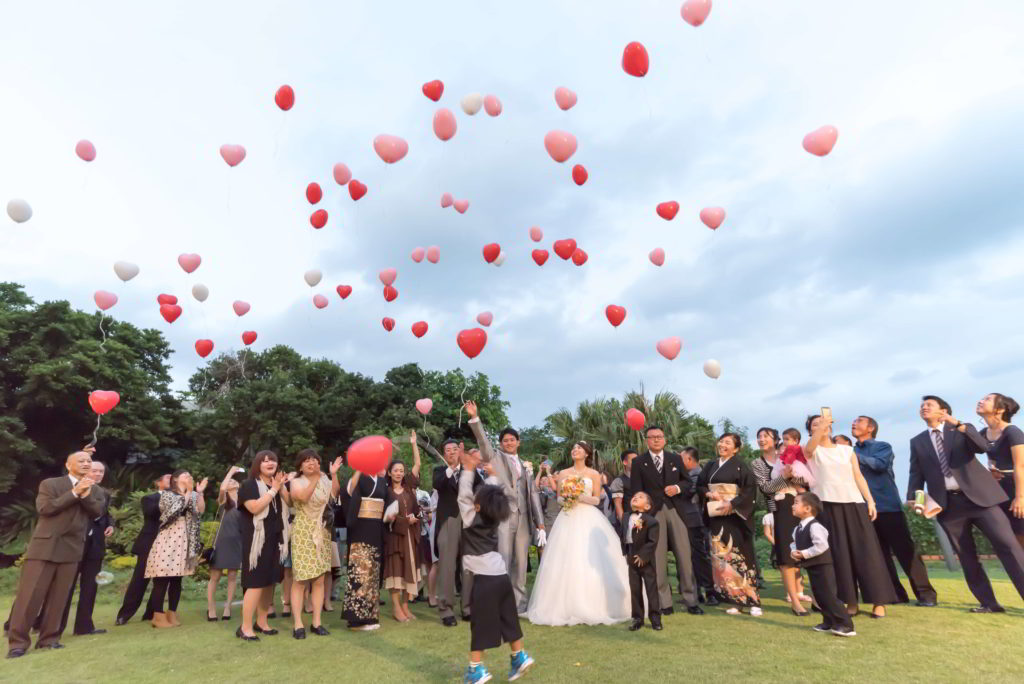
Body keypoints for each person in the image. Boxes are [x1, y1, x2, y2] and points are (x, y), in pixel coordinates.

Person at [908, 395, 1024, 612]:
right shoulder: (917, 441)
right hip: (948, 506)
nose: (924, 407)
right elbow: (916, 473)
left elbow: (982, 447)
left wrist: (958, 424)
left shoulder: (962, 430)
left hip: (982, 500)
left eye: (929, 405)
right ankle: (989, 604)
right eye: (922, 405)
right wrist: (913, 497)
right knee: (967, 557)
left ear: (943, 411)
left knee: (1009, 547)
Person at [7, 448, 106, 659]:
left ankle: (49, 639)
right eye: (81, 460)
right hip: (45, 547)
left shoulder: (97, 491)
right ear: (69, 465)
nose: (87, 463)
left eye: (89, 461)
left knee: (59, 598)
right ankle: (18, 643)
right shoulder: (50, 484)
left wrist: (86, 493)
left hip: (73, 548)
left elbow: (97, 513)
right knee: (30, 596)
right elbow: (46, 509)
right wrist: (74, 493)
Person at [526, 441, 630, 626]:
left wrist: (581, 497)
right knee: (566, 557)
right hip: (567, 516)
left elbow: (597, 498)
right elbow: (557, 497)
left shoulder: (594, 474)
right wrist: (565, 498)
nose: (575, 450)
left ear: (587, 454)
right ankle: (562, 605)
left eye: (579, 448)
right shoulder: (564, 473)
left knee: (590, 557)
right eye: (574, 448)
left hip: (588, 516)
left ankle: (597, 602)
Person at [805, 413, 897, 618]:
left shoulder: (847, 450)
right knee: (840, 556)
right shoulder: (812, 451)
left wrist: (870, 501)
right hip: (827, 506)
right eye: (815, 425)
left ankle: (879, 601)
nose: (821, 426)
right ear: (811, 430)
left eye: (824, 423)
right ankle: (850, 601)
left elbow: (858, 476)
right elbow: (809, 449)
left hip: (854, 504)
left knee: (867, 552)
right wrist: (821, 426)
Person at [456, 449, 535, 684]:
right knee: (508, 618)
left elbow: (463, 496)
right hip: (500, 576)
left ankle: (476, 668)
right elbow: (494, 495)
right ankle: (519, 656)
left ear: (478, 506)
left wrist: (469, 471)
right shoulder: (496, 515)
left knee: (481, 623)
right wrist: (492, 476)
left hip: (484, 579)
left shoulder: (471, 518)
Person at [466, 401, 546, 616]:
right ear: (501, 444)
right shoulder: (495, 457)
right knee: (502, 559)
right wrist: (475, 419)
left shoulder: (526, 465)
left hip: (523, 520)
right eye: (505, 440)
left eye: (512, 440)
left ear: (518, 442)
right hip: (502, 516)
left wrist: (539, 523)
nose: (508, 443)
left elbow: (533, 495)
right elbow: (483, 442)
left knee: (521, 563)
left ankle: (519, 604)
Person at [851, 415, 937, 606]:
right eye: (853, 422)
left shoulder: (882, 447)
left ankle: (926, 595)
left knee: (905, 551)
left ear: (871, 428)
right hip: (864, 510)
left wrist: (853, 456)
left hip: (888, 507)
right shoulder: (850, 451)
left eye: (859, 421)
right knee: (879, 555)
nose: (854, 424)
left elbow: (879, 465)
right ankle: (896, 594)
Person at [630, 425, 702, 615]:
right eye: (652, 437)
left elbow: (687, 483)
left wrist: (677, 488)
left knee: (684, 556)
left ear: (665, 440)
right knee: (657, 558)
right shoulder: (639, 462)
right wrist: (640, 515)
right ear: (646, 440)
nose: (656, 439)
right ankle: (664, 602)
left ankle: (691, 600)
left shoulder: (675, 458)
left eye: (659, 436)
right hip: (652, 513)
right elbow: (636, 490)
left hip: (676, 510)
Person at [697, 433, 761, 616]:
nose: (722, 444)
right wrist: (709, 494)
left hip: (736, 516)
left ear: (736, 448)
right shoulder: (710, 465)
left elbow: (749, 490)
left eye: (728, 442)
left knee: (743, 557)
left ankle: (753, 600)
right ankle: (735, 600)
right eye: (721, 441)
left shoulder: (741, 466)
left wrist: (732, 503)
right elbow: (700, 485)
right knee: (723, 559)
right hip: (717, 515)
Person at [751, 427, 810, 615]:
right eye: (758, 436)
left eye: (765, 436)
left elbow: (806, 479)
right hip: (779, 510)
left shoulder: (790, 452)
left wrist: (795, 478)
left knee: (810, 551)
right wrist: (785, 478)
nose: (761, 439)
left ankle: (816, 597)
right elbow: (766, 489)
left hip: (802, 505)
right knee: (786, 556)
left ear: (776, 439)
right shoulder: (757, 464)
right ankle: (794, 602)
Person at [288, 448, 342, 639]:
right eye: (307, 461)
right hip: (303, 530)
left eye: (315, 460)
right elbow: (302, 497)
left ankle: (316, 622)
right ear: (300, 466)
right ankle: (298, 624)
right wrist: (315, 480)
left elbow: (334, 494)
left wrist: (333, 475)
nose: (312, 463)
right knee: (301, 579)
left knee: (319, 578)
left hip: (322, 530)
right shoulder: (295, 481)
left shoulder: (325, 479)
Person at [237, 451, 291, 641]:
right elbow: (254, 508)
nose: (270, 463)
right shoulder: (249, 485)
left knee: (270, 582)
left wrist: (281, 487)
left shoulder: (278, 484)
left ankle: (262, 622)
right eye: (265, 460)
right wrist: (274, 489)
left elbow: (291, 503)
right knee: (255, 583)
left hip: (277, 539)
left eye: (273, 460)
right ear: (257, 464)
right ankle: (245, 627)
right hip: (256, 542)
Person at [145, 470, 207, 628]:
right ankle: (157, 616)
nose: (189, 478)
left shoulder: (192, 494)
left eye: (190, 476)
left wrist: (199, 493)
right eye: (185, 476)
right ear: (176, 479)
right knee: (162, 578)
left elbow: (200, 510)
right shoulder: (166, 494)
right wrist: (188, 493)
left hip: (186, 539)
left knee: (177, 579)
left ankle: (172, 613)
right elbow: (173, 512)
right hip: (169, 538)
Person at [58, 459, 113, 637]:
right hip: (74, 545)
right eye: (94, 471)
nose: (98, 474)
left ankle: (84, 627)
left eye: (101, 472)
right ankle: (54, 627)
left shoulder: (104, 493)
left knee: (90, 587)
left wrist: (110, 523)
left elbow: (105, 513)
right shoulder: (72, 489)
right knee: (65, 587)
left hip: (95, 546)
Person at [790, 493, 856, 637]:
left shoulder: (815, 527)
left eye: (795, 502)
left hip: (823, 565)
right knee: (820, 596)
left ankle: (846, 625)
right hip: (812, 566)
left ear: (807, 508)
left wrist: (804, 553)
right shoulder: (798, 529)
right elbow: (794, 543)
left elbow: (821, 546)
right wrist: (794, 551)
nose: (792, 505)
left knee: (829, 596)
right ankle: (829, 622)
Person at [115, 473, 170, 625]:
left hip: (168, 543)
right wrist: (167, 498)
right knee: (140, 579)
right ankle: (124, 614)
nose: (172, 480)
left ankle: (151, 613)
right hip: (149, 542)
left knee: (161, 580)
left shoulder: (178, 498)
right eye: (168, 478)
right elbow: (151, 514)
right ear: (159, 483)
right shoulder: (149, 498)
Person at [344, 451, 389, 631]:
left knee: (372, 571)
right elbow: (349, 491)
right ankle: (355, 619)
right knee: (360, 569)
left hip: (376, 527)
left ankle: (369, 615)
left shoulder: (381, 480)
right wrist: (358, 469)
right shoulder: (361, 477)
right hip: (361, 527)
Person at [382, 432, 423, 623]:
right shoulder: (386, 491)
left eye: (401, 470)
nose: (398, 473)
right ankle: (396, 608)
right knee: (395, 570)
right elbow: (384, 515)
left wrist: (414, 444)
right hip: (394, 536)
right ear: (389, 473)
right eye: (395, 470)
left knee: (410, 571)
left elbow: (417, 466)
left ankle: (406, 606)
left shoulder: (408, 488)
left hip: (410, 535)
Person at [977, 393, 1024, 547]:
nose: (981, 401)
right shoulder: (983, 433)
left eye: (987, 399)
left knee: (1021, 534)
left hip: (1017, 488)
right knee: (1010, 539)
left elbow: (1020, 465)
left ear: (1000, 410)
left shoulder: (1012, 432)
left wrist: (1020, 498)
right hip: (999, 490)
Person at [432, 439, 465, 627]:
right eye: (448, 450)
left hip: (469, 522)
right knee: (447, 566)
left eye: (455, 449)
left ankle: (468, 608)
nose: (452, 452)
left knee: (468, 566)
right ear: (444, 454)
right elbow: (438, 484)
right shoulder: (439, 471)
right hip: (448, 521)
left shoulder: (470, 471)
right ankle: (446, 609)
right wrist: (451, 468)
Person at [206, 466, 245, 621]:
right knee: (215, 575)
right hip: (222, 541)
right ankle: (211, 608)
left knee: (233, 575)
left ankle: (228, 607)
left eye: (235, 480)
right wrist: (231, 471)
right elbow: (223, 487)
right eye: (230, 481)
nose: (232, 482)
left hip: (238, 541)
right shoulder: (223, 499)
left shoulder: (244, 500)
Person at [680, 447, 716, 605]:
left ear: (689, 459)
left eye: (681, 459)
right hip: (686, 521)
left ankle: (709, 591)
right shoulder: (687, 475)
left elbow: (688, 494)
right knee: (689, 556)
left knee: (700, 556)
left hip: (696, 521)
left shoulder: (698, 475)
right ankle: (696, 591)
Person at [623, 491, 662, 631]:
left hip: (646, 559)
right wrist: (626, 552)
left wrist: (643, 556)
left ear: (647, 506)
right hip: (631, 556)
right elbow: (624, 534)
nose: (635, 497)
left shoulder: (652, 521)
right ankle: (637, 618)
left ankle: (655, 619)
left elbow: (652, 541)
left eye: (640, 497)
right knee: (635, 589)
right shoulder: (626, 516)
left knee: (651, 589)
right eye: (634, 496)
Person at [534, 460, 561, 550]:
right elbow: (535, 486)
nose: (553, 475)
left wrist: (548, 472)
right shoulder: (545, 489)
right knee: (546, 545)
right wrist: (540, 471)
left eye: (556, 474)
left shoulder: (561, 488)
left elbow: (555, 489)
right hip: (547, 520)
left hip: (558, 520)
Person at [609, 450, 636, 532]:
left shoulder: (644, 478)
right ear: (625, 462)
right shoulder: (618, 481)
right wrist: (625, 524)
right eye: (634, 460)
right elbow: (618, 505)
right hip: (630, 519)